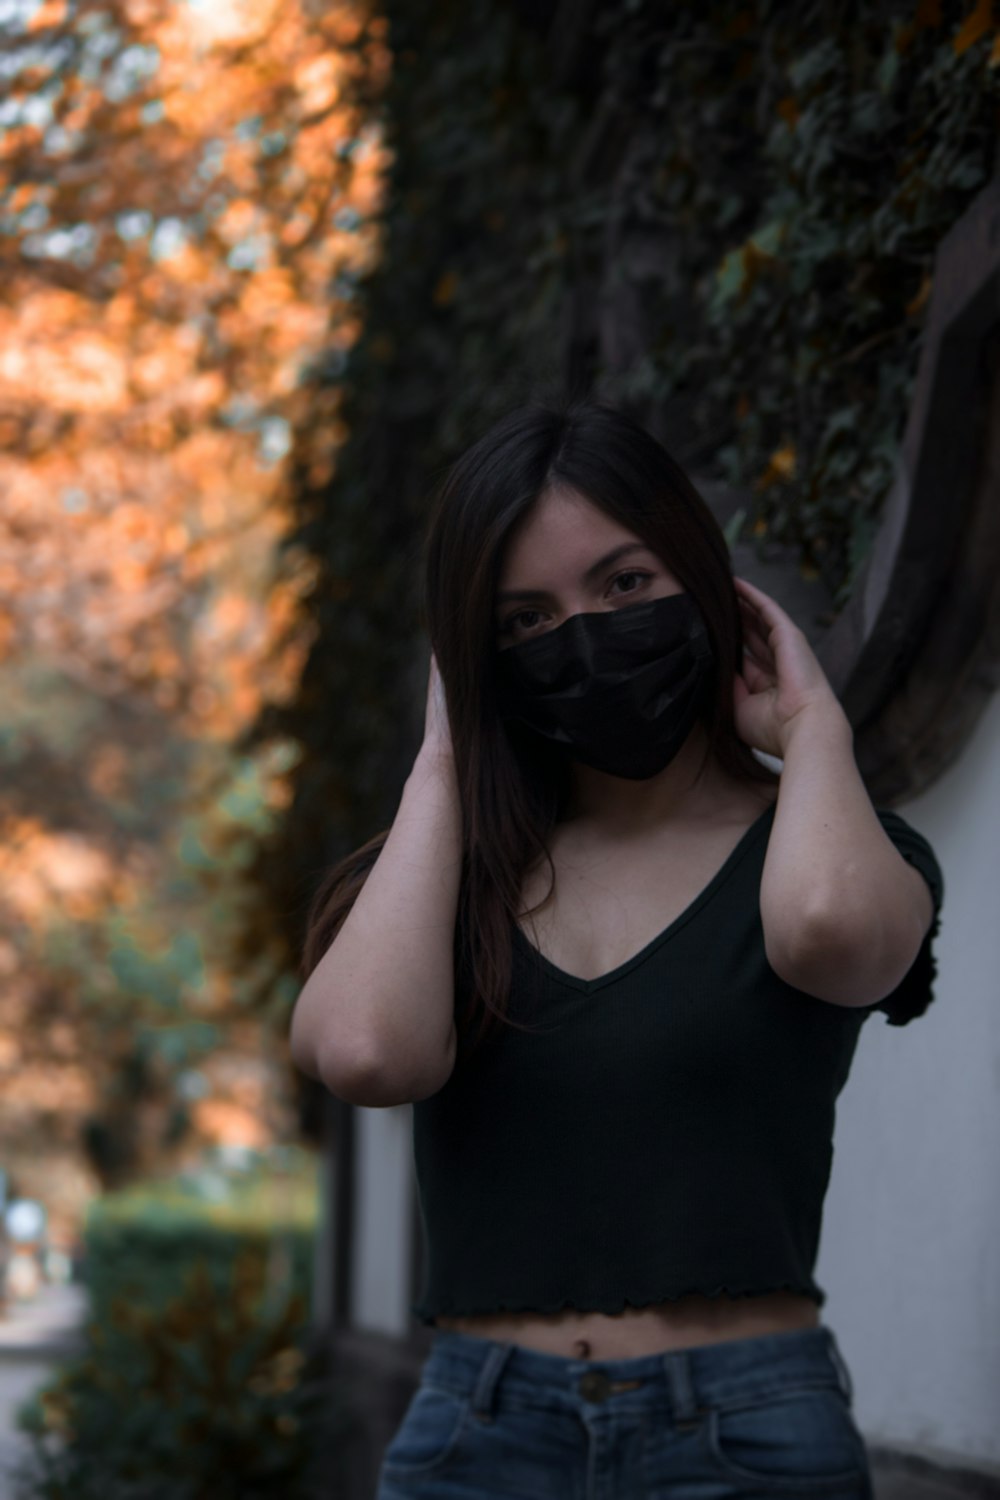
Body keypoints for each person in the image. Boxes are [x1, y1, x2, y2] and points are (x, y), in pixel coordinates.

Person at [290, 399, 944, 1499]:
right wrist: (444, 764)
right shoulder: (441, 882)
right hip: (476, 1434)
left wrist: (814, 725)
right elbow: (365, 1053)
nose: (583, 633)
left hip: (746, 1433)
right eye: (524, 621)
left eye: (625, 583)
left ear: (706, 577)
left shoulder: (828, 855)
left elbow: (835, 939)